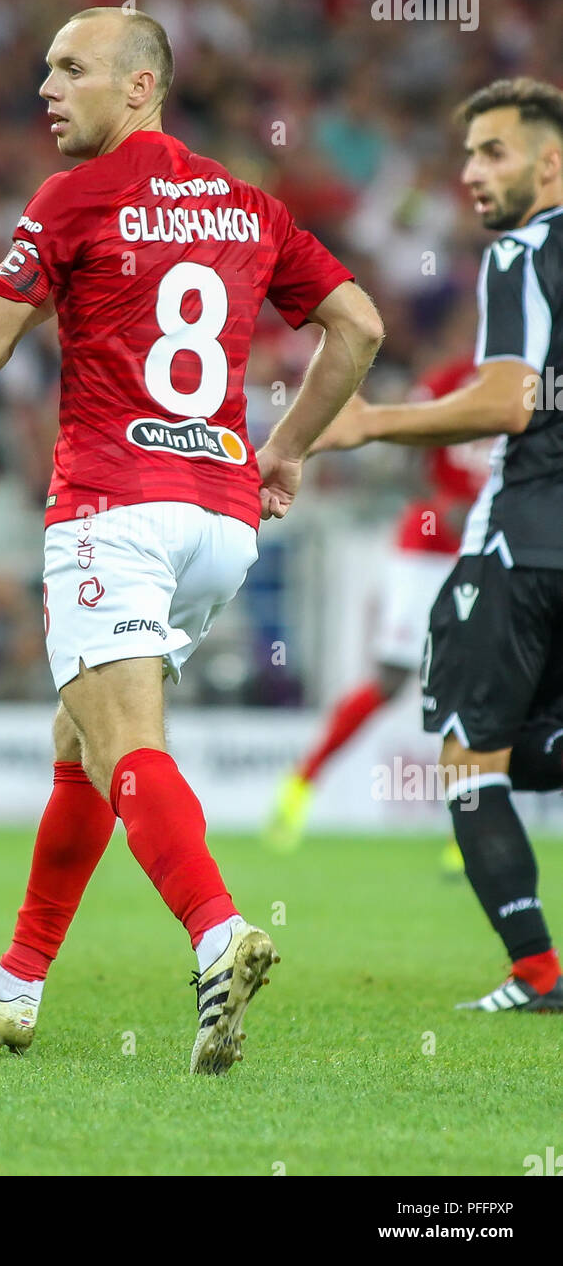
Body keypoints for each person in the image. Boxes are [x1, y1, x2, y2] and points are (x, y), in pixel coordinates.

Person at [0, 6, 383, 1074]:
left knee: (127, 744)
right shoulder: (246, 203)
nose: (45, 87)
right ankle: (14, 987)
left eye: (69, 68)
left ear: (139, 87)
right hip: (221, 522)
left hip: (111, 509)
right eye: (44, 66)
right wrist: (283, 450)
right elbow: (358, 325)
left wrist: (40, 277)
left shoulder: (73, 195)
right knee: (78, 742)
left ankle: (217, 932)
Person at [314, 78, 563, 1013]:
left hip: (523, 545)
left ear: (548, 161)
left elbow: (509, 400)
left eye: (492, 152)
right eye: (467, 155)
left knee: (469, 761)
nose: (471, 174)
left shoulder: (520, 255)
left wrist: (374, 420)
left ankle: (537, 972)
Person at [266, 354, 491, 862]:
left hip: (482, 554)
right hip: (425, 552)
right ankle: (301, 784)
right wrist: (439, 507)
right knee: (391, 680)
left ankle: (470, 826)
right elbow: (403, 470)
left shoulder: (521, 385)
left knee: (477, 684)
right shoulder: (445, 382)